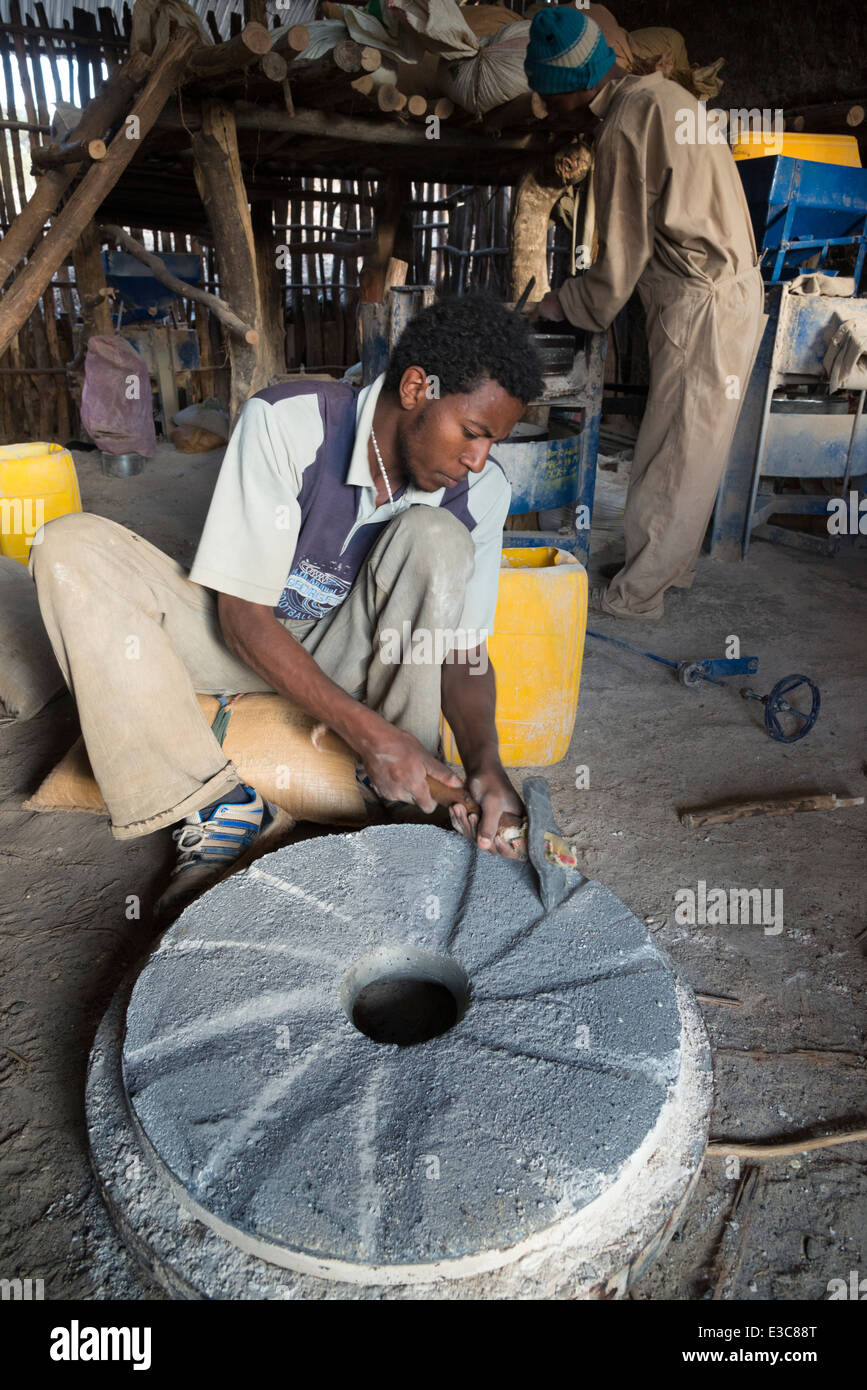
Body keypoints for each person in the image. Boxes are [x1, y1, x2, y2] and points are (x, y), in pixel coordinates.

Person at [32, 294, 543, 916]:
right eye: (472, 432)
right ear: (416, 388)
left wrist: (486, 762)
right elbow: (241, 615)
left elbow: (462, 650)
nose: (476, 460)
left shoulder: (483, 492)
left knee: (436, 536)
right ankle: (218, 804)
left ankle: (404, 796)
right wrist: (365, 733)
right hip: (236, 637)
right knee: (69, 547)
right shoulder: (290, 422)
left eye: (492, 443)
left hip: (357, 653)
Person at [524, 7, 764, 621]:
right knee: (690, 444)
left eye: (552, 99)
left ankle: (636, 598)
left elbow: (619, 263)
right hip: (721, 294)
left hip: (703, 302)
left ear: (577, 85)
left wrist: (561, 302)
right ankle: (665, 569)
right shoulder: (662, 97)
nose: (550, 113)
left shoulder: (627, 123)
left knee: (674, 454)